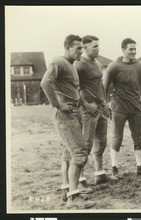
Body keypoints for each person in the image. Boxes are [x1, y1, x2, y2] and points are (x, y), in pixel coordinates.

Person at [41, 34, 97, 209]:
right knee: (80, 154)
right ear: (67, 47)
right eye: (78, 48)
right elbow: (45, 83)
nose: (81, 51)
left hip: (74, 114)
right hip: (65, 116)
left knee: (68, 153)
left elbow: (72, 92)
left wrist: (86, 106)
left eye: (82, 47)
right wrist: (58, 105)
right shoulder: (58, 62)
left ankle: (66, 190)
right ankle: (74, 197)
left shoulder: (70, 65)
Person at [104, 38, 141, 180]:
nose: (133, 52)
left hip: (136, 107)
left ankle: (140, 165)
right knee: (117, 138)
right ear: (123, 49)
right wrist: (106, 104)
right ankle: (114, 168)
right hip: (119, 108)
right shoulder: (114, 66)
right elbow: (104, 87)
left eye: (135, 49)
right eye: (130, 49)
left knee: (139, 138)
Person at [74, 35, 112, 192]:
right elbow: (73, 89)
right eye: (95, 46)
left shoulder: (97, 63)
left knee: (101, 141)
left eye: (98, 46)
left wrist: (106, 102)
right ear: (85, 48)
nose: (98, 49)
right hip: (87, 110)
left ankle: (99, 173)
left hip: (101, 107)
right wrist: (85, 105)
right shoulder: (78, 64)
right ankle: (80, 180)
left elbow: (100, 85)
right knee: (86, 144)